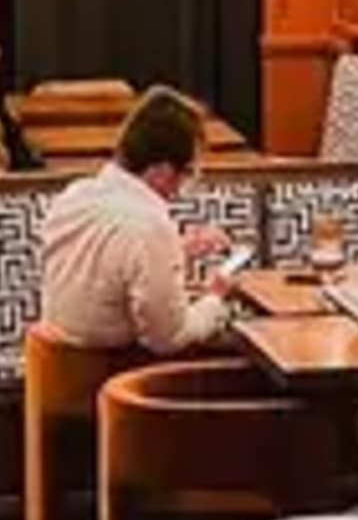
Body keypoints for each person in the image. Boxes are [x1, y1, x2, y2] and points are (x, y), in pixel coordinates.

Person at [33, 87, 236, 355]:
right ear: (162, 170)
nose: (183, 188)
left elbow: (108, 270)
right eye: (187, 172)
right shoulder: (149, 226)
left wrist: (177, 250)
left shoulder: (75, 195)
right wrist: (214, 298)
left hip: (56, 365)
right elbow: (169, 339)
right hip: (113, 372)